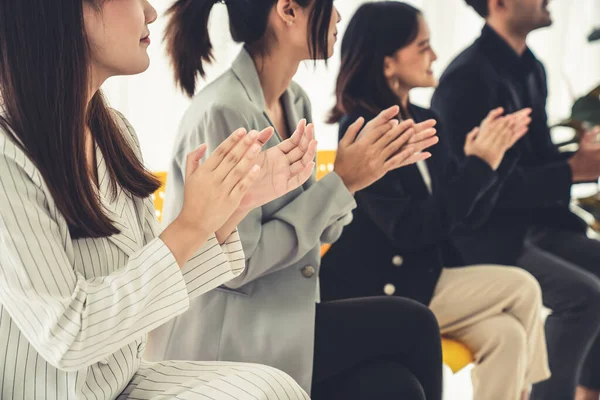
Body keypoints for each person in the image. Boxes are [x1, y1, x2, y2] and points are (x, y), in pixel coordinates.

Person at [0, 0, 318, 398]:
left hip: (121, 381)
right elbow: (68, 334)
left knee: (277, 388)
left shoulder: (113, 132)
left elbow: (152, 283)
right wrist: (192, 223)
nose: (151, 12)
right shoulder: (7, 156)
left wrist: (233, 206)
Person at [145, 0, 442, 399]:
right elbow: (238, 264)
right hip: (230, 337)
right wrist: (339, 183)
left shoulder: (294, 99)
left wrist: (356, 181)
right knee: (413, 324)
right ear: (287, 11)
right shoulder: (224, 112)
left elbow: (323, 226)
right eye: (330, 5)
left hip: (283, 320)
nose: (338, 17)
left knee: (395, 387)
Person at [320, 3, 550, 400]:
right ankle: (533, 394)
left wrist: (492, 158)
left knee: (508, 336)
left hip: (427, 277)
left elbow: (463, 217)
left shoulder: (427, 120)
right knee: (523, 287)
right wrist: (477, 168)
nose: (435, 56)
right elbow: (411, 230)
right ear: (388, 62)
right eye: (423, 46)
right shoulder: (364, 131)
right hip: (383, 290)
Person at [431, 0, 600, 399]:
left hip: (533, 225)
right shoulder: (466, 79)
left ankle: (586, 391)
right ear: (498, 3)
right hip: (484, 233)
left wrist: (581, 162)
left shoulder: (530, 67)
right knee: (583, 297)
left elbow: (536, 162)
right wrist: (574, 170)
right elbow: (478, 191)